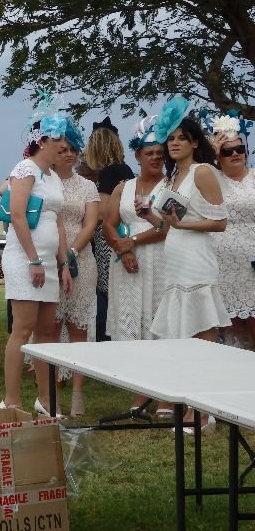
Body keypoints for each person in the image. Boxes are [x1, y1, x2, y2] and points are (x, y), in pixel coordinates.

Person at [147, 99, 229, 433]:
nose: (175, 143)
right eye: (171, 138)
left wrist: (183, 226)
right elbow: (167, 227)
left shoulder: (202, 172)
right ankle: (189, 406)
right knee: (181, 335)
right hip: (175, 259)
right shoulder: (171, 177)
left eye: (182, 138)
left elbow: (220, 222)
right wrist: (149, 216)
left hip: (197, 259)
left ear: (195, 142)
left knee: (202, 335)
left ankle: (204, 412)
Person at [0, 115, 73, 416]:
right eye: (58, 142)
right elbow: (17, 215)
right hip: (24, 259)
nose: (63, 148)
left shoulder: (54, 177)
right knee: (23, 328)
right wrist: (34, 260)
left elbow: (59, 222)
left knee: (47, 331)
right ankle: (11, 400)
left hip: (50, 263)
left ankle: (46, 399)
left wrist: (64, 263)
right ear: (42, 141)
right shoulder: (25, 169)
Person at [103, 118, 169, 414]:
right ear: (137, 155)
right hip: (128, 263)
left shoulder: (171, 185)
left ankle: (165, 396)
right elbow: (108, 224)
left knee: (160, 323)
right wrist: (123, 250)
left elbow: (170, 227)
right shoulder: (123, 187)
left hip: (161, 259)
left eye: (160, 153)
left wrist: (134, 241)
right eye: (149, 153)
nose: (156, 158)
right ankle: (141, 393)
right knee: (133, 324)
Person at [50, 128, 98, 416]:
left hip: (82, 258)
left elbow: (90, 224)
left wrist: (71, 253)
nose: (68, 154)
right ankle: (52, 396)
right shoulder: (42, 182)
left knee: (79, 327)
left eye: (72, 149)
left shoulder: (87, 186)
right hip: (49, 259)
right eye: (63, 149)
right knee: (51, 328)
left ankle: (78, 395)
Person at [83, 117, 135, 342]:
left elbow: (102, 212)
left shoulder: (108, 173)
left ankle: (106, 338)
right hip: (124, 233)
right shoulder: (126, 169)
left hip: (107, 240)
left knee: (106, 292)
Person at [210, 114, 255, 350]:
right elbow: (188, 172)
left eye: (239, 149)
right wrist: (210, 149)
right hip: (222, 264)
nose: (235, 154)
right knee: (232, 329)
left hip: (252, 263)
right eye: (227, 151)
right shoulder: (211, 178)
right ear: (218, 156)